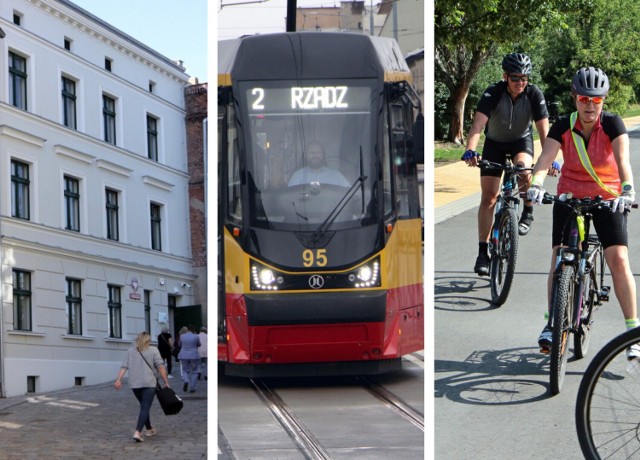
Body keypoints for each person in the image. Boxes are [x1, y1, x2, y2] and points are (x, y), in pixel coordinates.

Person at [527, 67, 638, 357]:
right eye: (584, 99)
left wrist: (627, 189)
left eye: (596, 100)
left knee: (618, 257)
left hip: (607, 195)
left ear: (604, 101)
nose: (590, 106)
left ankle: (632, 333)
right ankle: (552, 323)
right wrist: (537, 184)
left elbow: (623, 161)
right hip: (570, 195)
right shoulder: (562, 125)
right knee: (559, 257)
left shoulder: (613, 124)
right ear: (574, 98)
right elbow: (545, 159)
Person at [462, 52, 550, 276]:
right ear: (505, 76)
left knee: (522, 169)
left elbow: (546, 134)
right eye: (515, 78)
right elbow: (476, 128)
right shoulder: (493, 92)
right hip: (495, 144)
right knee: (489, 197)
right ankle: (483, 252)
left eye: (524, 78)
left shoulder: (533, 94)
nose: (520, 82)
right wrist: (471, 149)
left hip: (522, 141)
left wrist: (550, 161)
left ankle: (527, 210)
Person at [114, 331, 170, 442]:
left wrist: (118, 379)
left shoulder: (130, 351)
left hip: (135, 384)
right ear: (148, 340)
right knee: (145, 406)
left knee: (144, 406)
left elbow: (124, 366)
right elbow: (160, 367)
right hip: (149, 383)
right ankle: (137, 432)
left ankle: (149, 429)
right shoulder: (153, 350)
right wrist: (166, 381)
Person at [177, 324, 201, 393]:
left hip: (184, 355)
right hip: (194, 355)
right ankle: (192, 388)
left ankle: (186, 380)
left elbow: (179, 344)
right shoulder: (196, 336)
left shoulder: (182, 336)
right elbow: (199, 344)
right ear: (193, 330)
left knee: (185, 370)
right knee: (195, 371)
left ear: (187, 329)